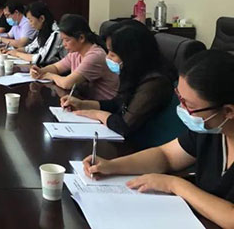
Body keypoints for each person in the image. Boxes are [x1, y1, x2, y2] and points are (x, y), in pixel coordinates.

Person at [82, 50, 234, 229]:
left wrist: (175, 185)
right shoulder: (211, 131)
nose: (181, 108)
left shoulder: (211, 125)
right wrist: (111, 166)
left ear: (228, 111)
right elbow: (166, 156)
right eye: (180, 98)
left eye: (189, 105)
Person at [61, 21, 174, 137]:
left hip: (143, 144)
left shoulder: (155, 83)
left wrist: (96, 114)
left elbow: (125, 126)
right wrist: (83, 104)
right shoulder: (134, 73)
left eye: (112, 54)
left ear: (131, 56)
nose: (107, 57)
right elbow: (118, 103)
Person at [30, 14, 118, 100]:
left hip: (104, 105)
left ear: (81, 38)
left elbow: (67, 83)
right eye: (63, 40)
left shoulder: (94, 56)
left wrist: (49, 75)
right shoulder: (76, 52)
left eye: (67, 40)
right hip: (86, 101)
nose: (64, 44)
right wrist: (40, 71)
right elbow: (56, 67)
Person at [4, 1, 65, 66]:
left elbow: (41, 58)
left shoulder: (56, 34)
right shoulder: (42, 31)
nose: (29, 24)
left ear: (41, 18)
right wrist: (10, 51)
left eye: (31, 20)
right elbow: (29, 48)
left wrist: (17, 54)